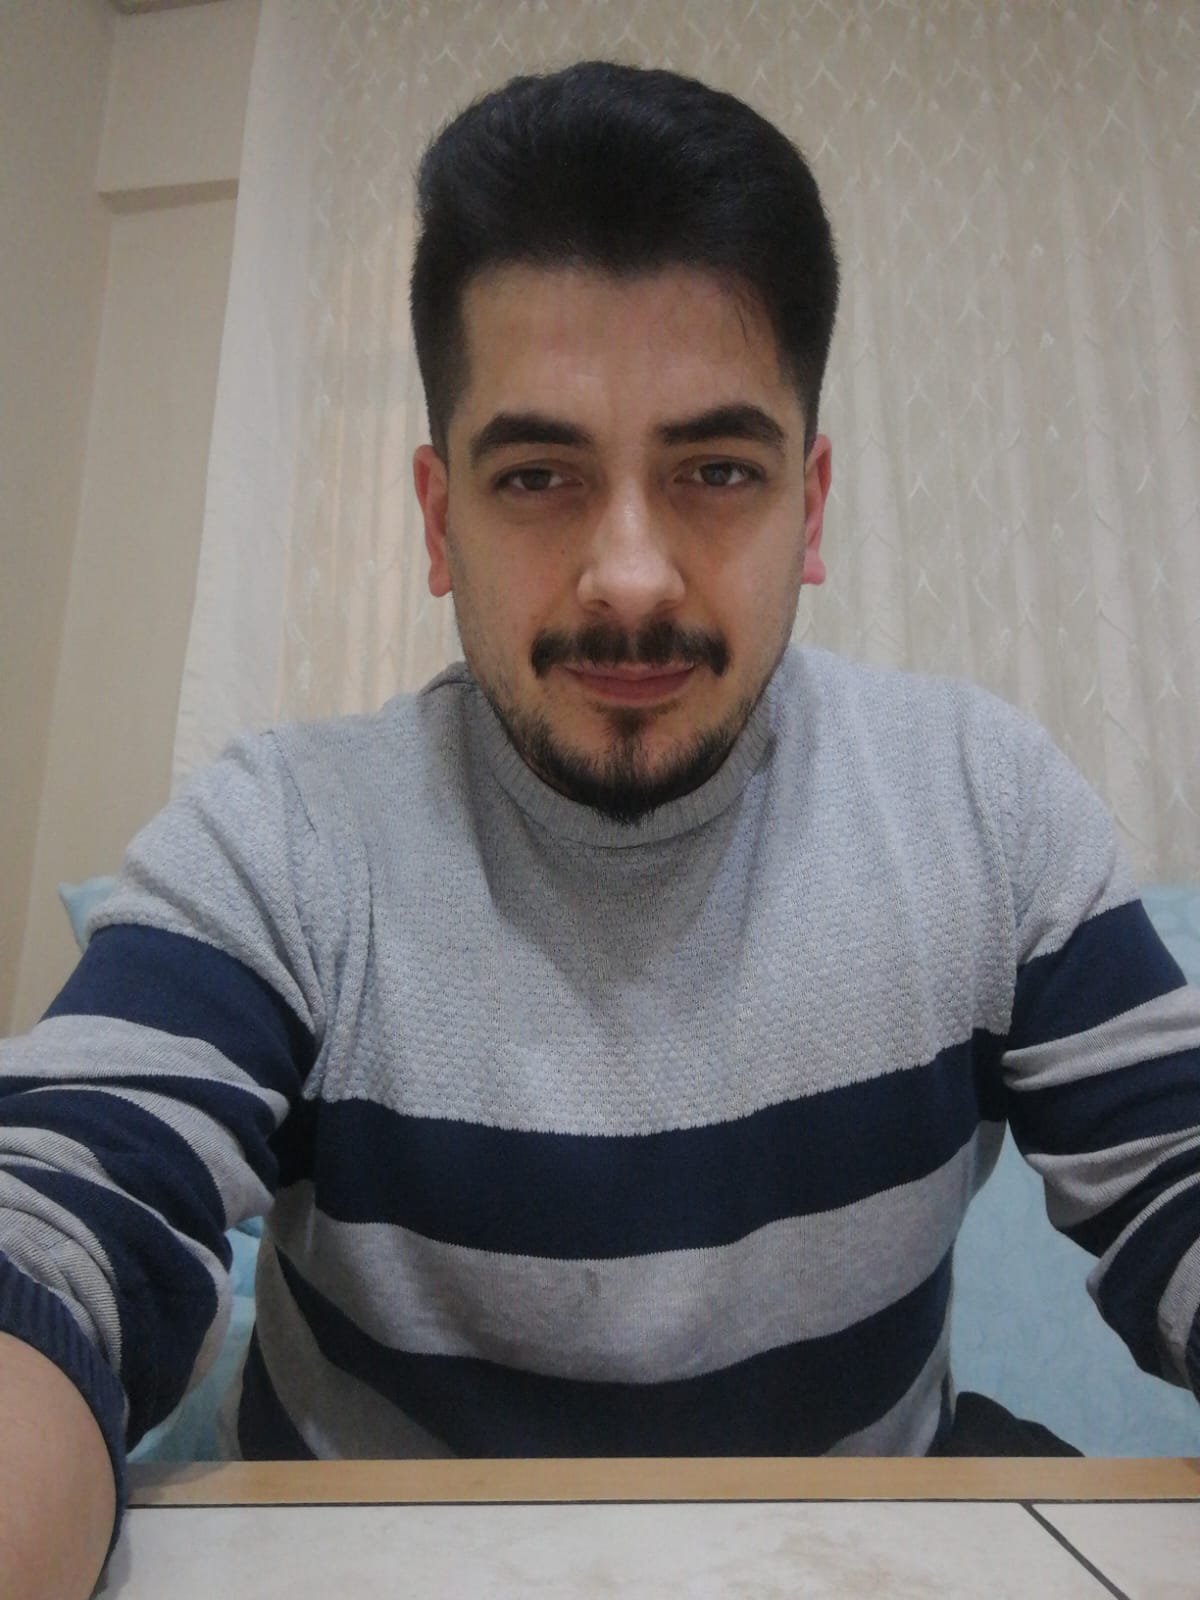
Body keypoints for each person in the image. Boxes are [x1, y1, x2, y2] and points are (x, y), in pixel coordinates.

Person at [2, 59, 1199, 1600]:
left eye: (716, 471)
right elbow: (55, 1226)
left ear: (811, 506)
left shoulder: (985, 806)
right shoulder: (287, 843)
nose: (629, 574)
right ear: (438, 519)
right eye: (539, 475)